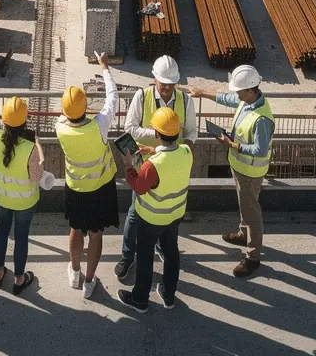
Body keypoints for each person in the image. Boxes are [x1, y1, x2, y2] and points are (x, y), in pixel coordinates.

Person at [116, 55, 198, 282]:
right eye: (163, 86)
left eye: (171, 86)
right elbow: (130, 128)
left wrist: (185, 151)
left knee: (169, 213)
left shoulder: (186, 101)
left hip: (174, 165)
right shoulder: (141, 98)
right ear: (154, 80)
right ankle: (127, 256)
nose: (167, 91)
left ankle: (162, 247)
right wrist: (159, 135)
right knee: (135, 212)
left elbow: (192, 131)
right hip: (147, 166)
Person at [188, 64, 274, 278]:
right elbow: (226, 99)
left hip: (250, 173)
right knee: (245, 207)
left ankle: (253, 257)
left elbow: (260, 150)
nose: (236, 93)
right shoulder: (249, 102)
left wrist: (233, 144)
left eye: (239, 90)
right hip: (241, 168)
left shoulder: (262, 119)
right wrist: (201, 93)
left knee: (252, 213)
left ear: (250, 90)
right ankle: (243, 235)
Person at [55, 51, 119, 299]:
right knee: (96, 234)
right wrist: (104, 67)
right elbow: (112, 98)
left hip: (75, 188)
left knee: (76, 229)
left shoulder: (60, 128)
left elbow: (66, 115)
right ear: (86, 107)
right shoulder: (99, 126)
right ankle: (89, 282)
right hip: (101, 189)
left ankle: (74, 271)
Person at [116, 107, 193, 312]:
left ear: (157, 134)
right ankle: (168, 295)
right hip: (175, 215)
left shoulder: (152, 166)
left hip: (151, 218)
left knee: (145, 257)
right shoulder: (187, 152)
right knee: (171, 253)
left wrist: (128, 166)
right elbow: (172, 161)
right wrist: (153, 150)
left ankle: (140, 299)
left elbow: (139, 187)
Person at [0, 96, 45, 294]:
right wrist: (38, 144)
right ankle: (19, 279)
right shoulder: (30, 148)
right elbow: (37, 176)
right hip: (25, 202)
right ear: (25, 121)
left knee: (1, 231)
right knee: (21, 237)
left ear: (3, 120)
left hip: (1, 198)